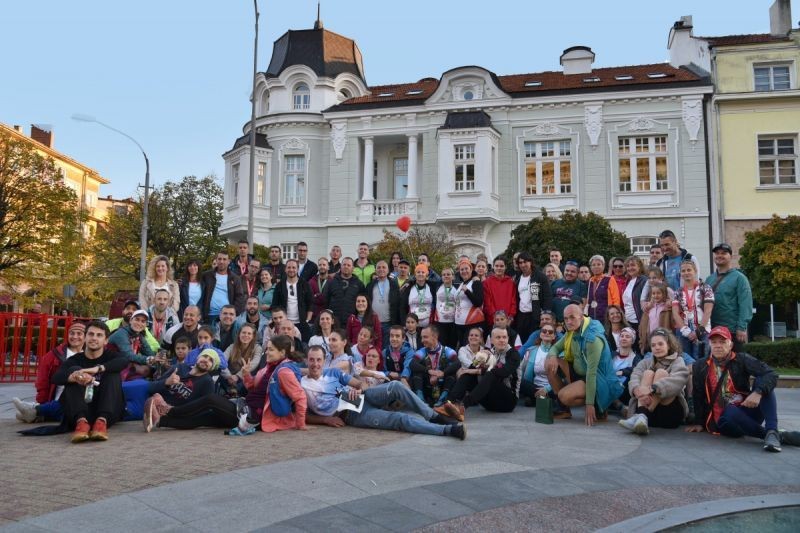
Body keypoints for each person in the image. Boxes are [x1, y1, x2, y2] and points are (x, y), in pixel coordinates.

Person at [303, 346, 466, 439]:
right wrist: (325, 420)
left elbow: (359, 383)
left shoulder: (333, 372)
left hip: (364, 396)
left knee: (396, 385)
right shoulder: (302, 384)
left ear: (324, 361)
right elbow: (302, 415)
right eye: (311, 360)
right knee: (400, 419)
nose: (315, 364)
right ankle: (447, 430)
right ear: (306, 361)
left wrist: (357, 388)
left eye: (319, 360)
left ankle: (435, 417)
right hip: (352, 414)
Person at [686, 326, 800, 452]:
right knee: (730, 412)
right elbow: (698, 394)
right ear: (709, 345)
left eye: (722, 342)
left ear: (730, 345)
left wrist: (758, 392)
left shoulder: (741, 359)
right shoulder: (700, 365)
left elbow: (771, 374)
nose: (718, 346)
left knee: (762, 380)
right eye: (714, 342)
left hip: (747, 409)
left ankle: (772, 429)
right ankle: (773, 435)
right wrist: (699, 422)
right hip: (725, 420)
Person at [545, 304, 624, 425]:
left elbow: (592, 373)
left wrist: (589, 404)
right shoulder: (572, 331)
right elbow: (555, 348)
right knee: (549, 363)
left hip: (599, 381)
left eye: (572, 317)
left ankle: (598, 406)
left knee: (564, 396)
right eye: (566, 318)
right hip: (580, 373)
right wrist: (552, 356)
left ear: (581, 317)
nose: (568, 322)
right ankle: (563, 409)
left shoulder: (592, 339)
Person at [51, 321, 127, 443]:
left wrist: (97, 369)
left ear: (106, 340)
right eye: (91, 334)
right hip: (81, 408)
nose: (94, 338)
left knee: (112, 373)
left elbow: (124, 361)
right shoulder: (75, 359)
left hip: (107, 409)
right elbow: (56, 377)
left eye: (99, 335)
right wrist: (77, 377)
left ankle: (101, 422)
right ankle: (81, 423)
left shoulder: (111, 356)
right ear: (85, 338)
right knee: (74, 370)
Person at [143, 349, 240, 431]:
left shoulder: (207, 382)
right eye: (205, 356)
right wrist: (166, 382)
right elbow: (151, 387)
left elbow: (200, 411)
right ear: (198, 358)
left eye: (211, 360)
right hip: (156, 403)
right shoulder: (180, 368)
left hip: (180, 413)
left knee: (205, 415)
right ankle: (157, 415)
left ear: (212, 367)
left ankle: (162, 416)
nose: (206, 360)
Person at [438, 328, 521, 419]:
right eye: (498, 337)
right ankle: (448, 403)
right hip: (489, 403)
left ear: (508, 339)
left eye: (504, 337)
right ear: (491, 340)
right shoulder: (490, 352)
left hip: (507, 402)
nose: (502, 340)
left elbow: (504, 372)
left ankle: (462, 407)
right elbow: (472, 367)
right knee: (467, 375)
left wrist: (479, 371)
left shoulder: (513, 354)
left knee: (490, 374)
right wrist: (479, 358)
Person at [619, 328, 689, 435]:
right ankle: (642, 416)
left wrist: (653, 388)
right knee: (648, 373)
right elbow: (635, 376)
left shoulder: (678, 361)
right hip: (651, 417)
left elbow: (679, 380)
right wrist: (636, 389)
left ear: (668, 345)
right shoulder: (645, 362)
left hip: (669, 414)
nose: (657, 347)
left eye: (660, 344)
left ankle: (642, 415)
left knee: (661, 373)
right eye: (653, 345)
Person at [13, 321, 86, 423]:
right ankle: (40, 411)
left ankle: (36, 412)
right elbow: (42, 381)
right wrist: (42, 402)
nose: (75, 337)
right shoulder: (53, 355)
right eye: (72, 333)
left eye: (79, 334)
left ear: (85, 337)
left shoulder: (89, 355)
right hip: (59, 399)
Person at [241, 335, 306, 433]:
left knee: (215, 402)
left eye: (271, 349)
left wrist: (300, 424)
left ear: (282, 352)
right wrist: (246, 374)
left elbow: (300, 397)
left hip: (257, 417)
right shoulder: (267, 368)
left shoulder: (284, 372)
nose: (266, 352)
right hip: (247, 407)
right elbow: (252, 387)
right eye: (267, 349)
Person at [705, 243, 753, 353]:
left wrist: (741, 327)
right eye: (717, 253)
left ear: (730, 256)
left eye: (724, 253)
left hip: (732, 330)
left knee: (736, 361)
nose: (719, 255)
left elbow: (746, 304)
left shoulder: (740, 278)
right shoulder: (709, 279)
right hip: (712, 330)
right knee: (714, 361)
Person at [672, 259, 714, 360]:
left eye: (689, 270)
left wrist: (699, 331)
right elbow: (675, 313)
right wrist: (685, 330)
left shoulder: (705, 288)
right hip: (684, 331)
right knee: (685, 360)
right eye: (683, 271)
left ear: (695, 271)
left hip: (703, 330)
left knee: (703, 360)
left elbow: (708, 310)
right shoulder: (678, 292)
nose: (686, 273)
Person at [410, 325, 459, 406]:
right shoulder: (422, 351)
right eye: (422, 337)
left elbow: (458, 363)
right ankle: (420, 400)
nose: (422, 340)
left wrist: (443, 373)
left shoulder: (447, 350)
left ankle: (443, 399)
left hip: (442, 385)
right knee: (417, 371)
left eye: (425, 337)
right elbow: (412, 364)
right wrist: (429, 371)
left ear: (435, 337)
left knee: (452, 373)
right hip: (428, 385)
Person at [514, 252, 552, 345]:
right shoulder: (518, 278)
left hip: (535, 316)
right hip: (522, 316)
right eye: (520, 262)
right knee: (522, 341)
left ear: (530, 262)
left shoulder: (540, 277)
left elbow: (547, 297)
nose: (523, 265)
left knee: (534, 342)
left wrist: (545, 315)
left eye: (525, 262)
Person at [271, 259, 313, 342]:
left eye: (294, 267)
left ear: (297, 269)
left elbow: (310, 304)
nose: (291, 270)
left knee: (302, 345)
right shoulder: (279, 285)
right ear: (285, 269)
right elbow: (275, 304)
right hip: (284, 324)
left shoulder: (305, 284)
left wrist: (307, 320)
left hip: (302, 323)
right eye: (289, 267)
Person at [518, 323, 558, 407]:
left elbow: (562, 379)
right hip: (533, 387)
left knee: (559, 388)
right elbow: (522, 370)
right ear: (540, 334)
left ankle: (537, 399)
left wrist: (546, 389)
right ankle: (542, 399)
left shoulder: (559, 353)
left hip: (551, 388)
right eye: (544, 331)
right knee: (518, 380)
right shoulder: (531, 350)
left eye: (550, 332)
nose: (547, 333)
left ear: (554, 336)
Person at [201, 250, 246, 325]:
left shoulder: (235, 278)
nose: (221, 261)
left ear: (229, 261)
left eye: (224, 259)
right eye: (219, 259)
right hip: (209, 316)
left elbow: (240, 297)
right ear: (216, 260)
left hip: (227, 317)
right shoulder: (206, 276)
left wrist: (234, 312)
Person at [107, 309, 156, 377]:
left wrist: (158, 359)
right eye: (137, 319)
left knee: (153, 369)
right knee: (144, 370)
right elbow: (129, 356)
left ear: (146, 325)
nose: (139, 323)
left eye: (143, 321)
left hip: (123, 364)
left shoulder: (139, 335)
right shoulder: (121, 333)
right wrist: (150, 359)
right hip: (109, 365)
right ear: (130, 320)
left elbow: (149, 352)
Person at [222, 323, 264, 398]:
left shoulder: (257, 348)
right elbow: (222, 360)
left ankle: (235, 393)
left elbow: (255, 363)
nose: (246, 335)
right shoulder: (232, 347)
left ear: (253, 336)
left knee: (253, 372)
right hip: (229, 378)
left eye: (249, 333)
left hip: (244, 379)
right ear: (239, 334)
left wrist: (238, 376)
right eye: (244, 332)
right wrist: (229, 376)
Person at [366, 260, 400, 347]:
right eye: (379, 267)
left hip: (388, 323)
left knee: (386, 348)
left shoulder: (394, 285)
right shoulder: (370, 285)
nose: (381, 269)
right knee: (373, 347)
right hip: (373, 323)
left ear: (388, 270)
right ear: (375, 270)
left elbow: (397, 304)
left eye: (384, 267)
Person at [323, 257, 365, 327]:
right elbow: (325, 301)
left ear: (353, 268)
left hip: (352, 322)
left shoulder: (359, 284)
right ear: (340, 266)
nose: (346, 267)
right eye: (344, 264)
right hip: (334, 322)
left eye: (348, 265)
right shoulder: (331, 282)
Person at [482, 257, 517, 338]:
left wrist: (510, 318)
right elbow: (488, 303)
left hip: (508, 322)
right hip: (493, 322)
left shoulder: (511, 282)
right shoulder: (487, 282)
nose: (499, 268)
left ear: (505, 267)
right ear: (493, 267)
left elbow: (514, 301)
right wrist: (496, 319)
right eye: (497, 266)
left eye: (501, 266)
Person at [639, 281, 677, 354]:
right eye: (653, 293)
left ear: (664, 294)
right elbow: (642, 327)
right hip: (649, 341)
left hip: (663, 341)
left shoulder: (667, 308)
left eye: (658, 293)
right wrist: (642, 342)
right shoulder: (648, 308)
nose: (656, 295)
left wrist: (662, 284)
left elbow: (674, 296)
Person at [454, 258, 485, 347]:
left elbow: (478, 302)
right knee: (462, 350)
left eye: (466, 268)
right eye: (462, 269)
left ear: (471, 269)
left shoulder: (475, 282)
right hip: (459, 324)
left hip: (473, 323)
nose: (464, 271)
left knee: (470, 350)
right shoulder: (461, 284)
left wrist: (467, 291)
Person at [586, 255, 621, 322]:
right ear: (590, 267)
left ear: (603, 266)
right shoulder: (590, 281)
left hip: (606, 316)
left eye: (599, 264)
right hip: (591, 316)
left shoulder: (609, 279)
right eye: (593, 265)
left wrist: (615, 314)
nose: (596, 266)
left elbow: (616, 299)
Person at [400, 263, 436, 329]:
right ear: (415, 274)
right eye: (418, 272)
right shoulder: (409, 287)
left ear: (426, 274)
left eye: (423, 272)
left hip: (428, 325)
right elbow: (402, 306)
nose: (420, 274)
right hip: (412, 325)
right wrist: (404, 323)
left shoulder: (431, 286)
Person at [611, 327, 639, 409]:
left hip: (624, 389)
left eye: (627, 336)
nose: (624, 338)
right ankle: (619, 406)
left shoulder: (636, 358)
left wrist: (622, 372)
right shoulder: (612, 355)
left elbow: (637, 370)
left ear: (632, 341)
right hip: (609, 384)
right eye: (622, 336)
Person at [621, 255, 648, 332]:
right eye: (628, 266)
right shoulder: (628, 281)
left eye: (633, 265)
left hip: (638, 321)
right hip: (628, 320)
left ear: (639, 266)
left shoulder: (644, 280)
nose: (630, 268)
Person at [434, 267, 459, 350]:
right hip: (440, 321)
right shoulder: (437, 287)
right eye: (444, 275)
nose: (446, 276)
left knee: (451, 346)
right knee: (441, 346)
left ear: (453, 276)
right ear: (441, 277)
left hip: (453, 322)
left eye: (448, 274)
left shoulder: (457, 289)